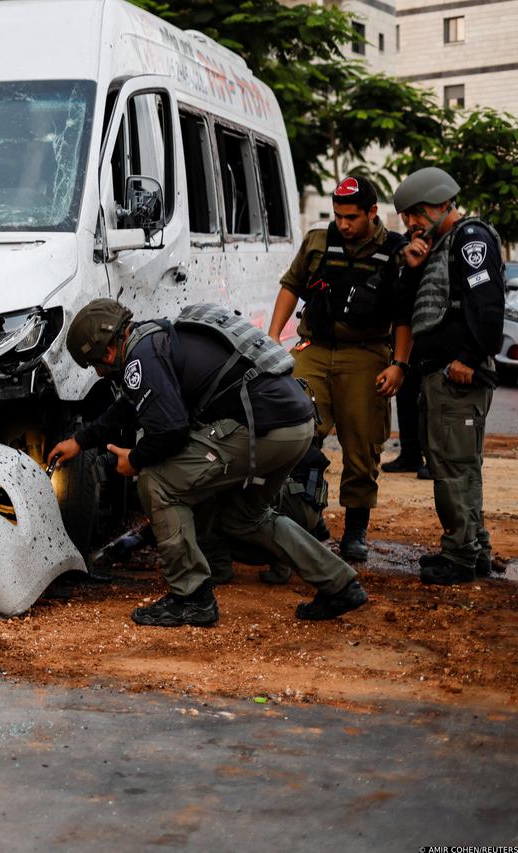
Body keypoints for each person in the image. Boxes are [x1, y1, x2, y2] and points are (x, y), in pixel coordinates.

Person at [46, 299, 369, 627]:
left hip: (263, 428)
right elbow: (131, 404)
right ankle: (340, 584)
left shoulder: (140, 357)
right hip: (296, 425)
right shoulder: (153, 338)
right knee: (246, 517)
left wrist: (137, 459)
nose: (99, 372)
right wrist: (81, 440)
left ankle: (190, 596)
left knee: (157, 482)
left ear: (108, 353)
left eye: (95, 365)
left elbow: (172, 431)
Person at [267, 175, 411, 563]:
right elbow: (291, 286)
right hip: (315, 347)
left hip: (365, 354)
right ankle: (304, 517)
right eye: (338, 216)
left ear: (372, 213)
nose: (343, 224)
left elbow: (403, 315)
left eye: (351, 217)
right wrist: (273, 337)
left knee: (362, 446)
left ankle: (355, 530)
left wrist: (399, 363)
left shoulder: (395, 250)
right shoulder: (317, 241)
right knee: (295, 433)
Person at [393, 166, 504, 584]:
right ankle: (472, 549)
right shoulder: (438, 247)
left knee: (454, 468)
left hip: (459, 376)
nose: (410, 224)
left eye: (415, 214)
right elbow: (414, 305)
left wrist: (471, 357)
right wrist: (414, 267)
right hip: (441, 375)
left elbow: (488, 303)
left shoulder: (470, 239)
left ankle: (458, 557)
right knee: (457, 465)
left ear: (441, 203)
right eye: (406, 217)